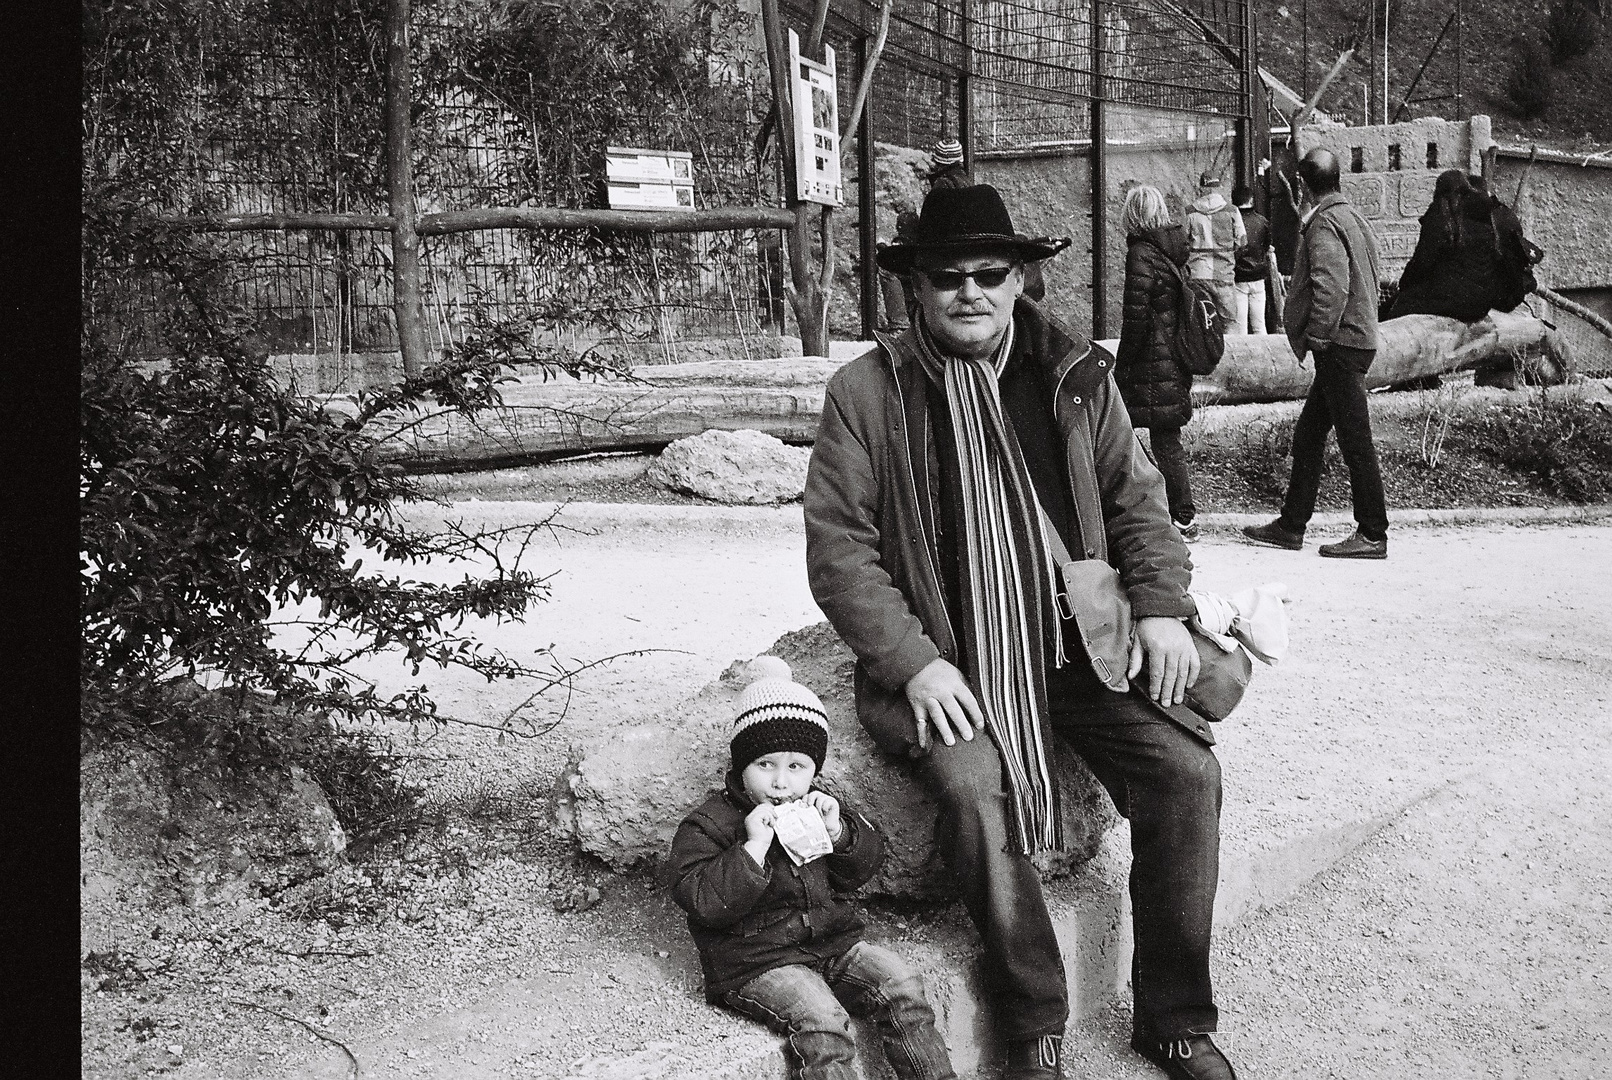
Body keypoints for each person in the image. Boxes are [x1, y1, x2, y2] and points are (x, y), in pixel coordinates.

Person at [806, 183, 1237, 1080]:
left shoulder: (1076, 373)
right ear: (915, 289)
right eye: (946, 276)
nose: (970, 291)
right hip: (952, 659)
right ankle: (1033, 1019)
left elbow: (1140, 506)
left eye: (989, 273)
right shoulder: (866, 391)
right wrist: (914, 664)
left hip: (1076, 645)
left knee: (1188, 775)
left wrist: (1157, 607)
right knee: (971, 790)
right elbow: (841, 552)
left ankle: (1175, 1017)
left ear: (1020, 280)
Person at [664, 657, 957, 1080]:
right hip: (758, 961)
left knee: (902, 984)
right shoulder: (710, 824)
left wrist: (839, 832)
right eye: (765, 765)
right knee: (823, 1020)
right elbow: (701, 900)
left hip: (831, 945)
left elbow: (861, 869)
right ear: (741, 763)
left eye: (796, 767)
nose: (781, 782)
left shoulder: (815, 805)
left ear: (813, 769)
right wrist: (752, 849)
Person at [1243, 148, 1388, 560]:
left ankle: (1373, 532)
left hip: (1341, 345)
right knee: (1309, 435)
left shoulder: (1324, 224)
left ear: (1304, 184)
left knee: (1354, 438)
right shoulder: (1352, 217)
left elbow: (1332, 287)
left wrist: (1320, 339)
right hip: (1355, 340)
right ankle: (1291, 525)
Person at [1116, 184, 1200, 540]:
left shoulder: (1141, 254)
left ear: (1133, 214)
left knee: (1122, 432)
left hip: (1149, 361)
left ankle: (1159, 510)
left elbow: (1135, 318)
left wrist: (1121, 364)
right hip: (1173, 359)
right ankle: (1182, 514)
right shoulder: (1173, 249)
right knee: (1167, 438)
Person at [1185, 171, 1245, 325]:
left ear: (1201, 188)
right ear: (1219, 187)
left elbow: (1183, 243)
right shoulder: (1232, 211)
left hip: (1198, 274)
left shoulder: (1190, 212)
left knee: (1202, 322)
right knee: (1229, 323)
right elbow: (1243, 241)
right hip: (1223, 274)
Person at [1231, 184, 1270, 335]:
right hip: (1258, 277)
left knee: (1240, 328)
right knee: (1259, 326)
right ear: (1251, 200)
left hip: (1239, 277)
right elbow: (1267, 246)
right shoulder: (1262, 221)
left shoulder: (1232, 221)